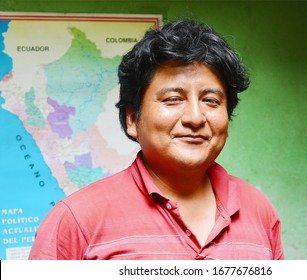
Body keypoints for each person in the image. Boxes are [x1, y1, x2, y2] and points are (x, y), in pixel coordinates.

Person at [29, 19, 284, 260]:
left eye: (211, 101)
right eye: (173, 99)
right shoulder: (75, 221)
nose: (195, 117)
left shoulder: (259, 210)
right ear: (132, 119)